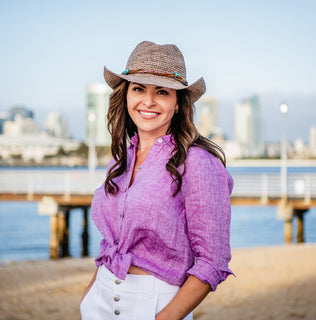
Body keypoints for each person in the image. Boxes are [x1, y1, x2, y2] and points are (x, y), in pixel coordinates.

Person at [80, 41, 234, 320]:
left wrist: (165, 317)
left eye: (161, 92)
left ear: (178, 104)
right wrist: (88, 299)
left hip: (156, 306)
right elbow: (110, 245)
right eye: (139, 88)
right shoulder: (120, 160)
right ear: (125, 96)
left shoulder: (198, 162)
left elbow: (213, 261)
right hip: (99, 302)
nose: (148, 101)